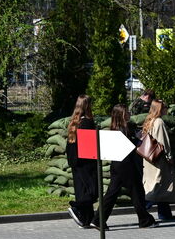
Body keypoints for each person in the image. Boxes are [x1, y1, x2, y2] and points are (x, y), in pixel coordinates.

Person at [96, 104, 157, 230]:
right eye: (126, 112)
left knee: (112, 194)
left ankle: (98, 220)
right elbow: (130, 145)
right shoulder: (124, 128)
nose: (129, 113)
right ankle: (144, 219)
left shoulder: (114, 128)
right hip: (127, 165)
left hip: (117, 165)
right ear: (122, 115)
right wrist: (139, 139)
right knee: (137, 192)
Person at [141, 100, 175, 221]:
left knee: (160, 186)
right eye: (165, 107)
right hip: (160, 159)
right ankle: (143, 209)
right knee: (159, 185)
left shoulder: (149, 121)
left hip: (150, 158)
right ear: (160, 109)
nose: (167, 109)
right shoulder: (159, 122)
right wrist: (169, 157)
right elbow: (163, 142)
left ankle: (165, 214)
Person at [65, 95, 97, 228]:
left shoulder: (74, 122)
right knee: (94, 191)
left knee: (81, 191)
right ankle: (76, 207)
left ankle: (85, 219)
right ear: (87, 106)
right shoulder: (87, 122)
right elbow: (90, 145)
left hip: (75, 161)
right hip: (86, 161)